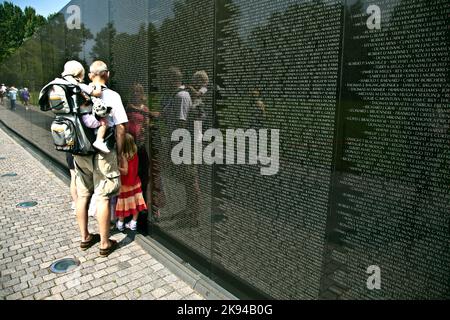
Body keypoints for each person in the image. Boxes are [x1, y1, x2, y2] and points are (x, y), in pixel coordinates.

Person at [73, 60, 128, 257]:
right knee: (103, 196)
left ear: (90, 76)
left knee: (84, 194)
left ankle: (85, 237)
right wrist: (120, 155)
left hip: (80, 152)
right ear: (108, 75)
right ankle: (105, 243)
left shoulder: (78, 92)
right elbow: (121, 127)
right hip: (103, 153)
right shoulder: (112, 96)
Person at [61, 60, 111, 154]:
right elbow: (97, 93)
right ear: (80, 74)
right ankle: (99, 140)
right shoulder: (80, 86)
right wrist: (97, 84)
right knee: (104, 122)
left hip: (76, 119)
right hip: (87, 119)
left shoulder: (67, 87)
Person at [115, 134, 147, 231]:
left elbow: (125, 171)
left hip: (125, 185)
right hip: (135, 182)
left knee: (122, 205)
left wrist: (115, 167)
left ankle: (120, 224)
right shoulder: (135, 154)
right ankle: (133, 223)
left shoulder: (123, 156)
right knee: (135, 204)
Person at [187, 71, 209, 143]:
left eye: (196, 80)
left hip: (200, 112)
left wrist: (190, 88)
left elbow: (197, 95)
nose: (194, 82)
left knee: (198, 128)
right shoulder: (197, 88)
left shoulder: (204, 88)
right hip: (195, 111)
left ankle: (199, 141)